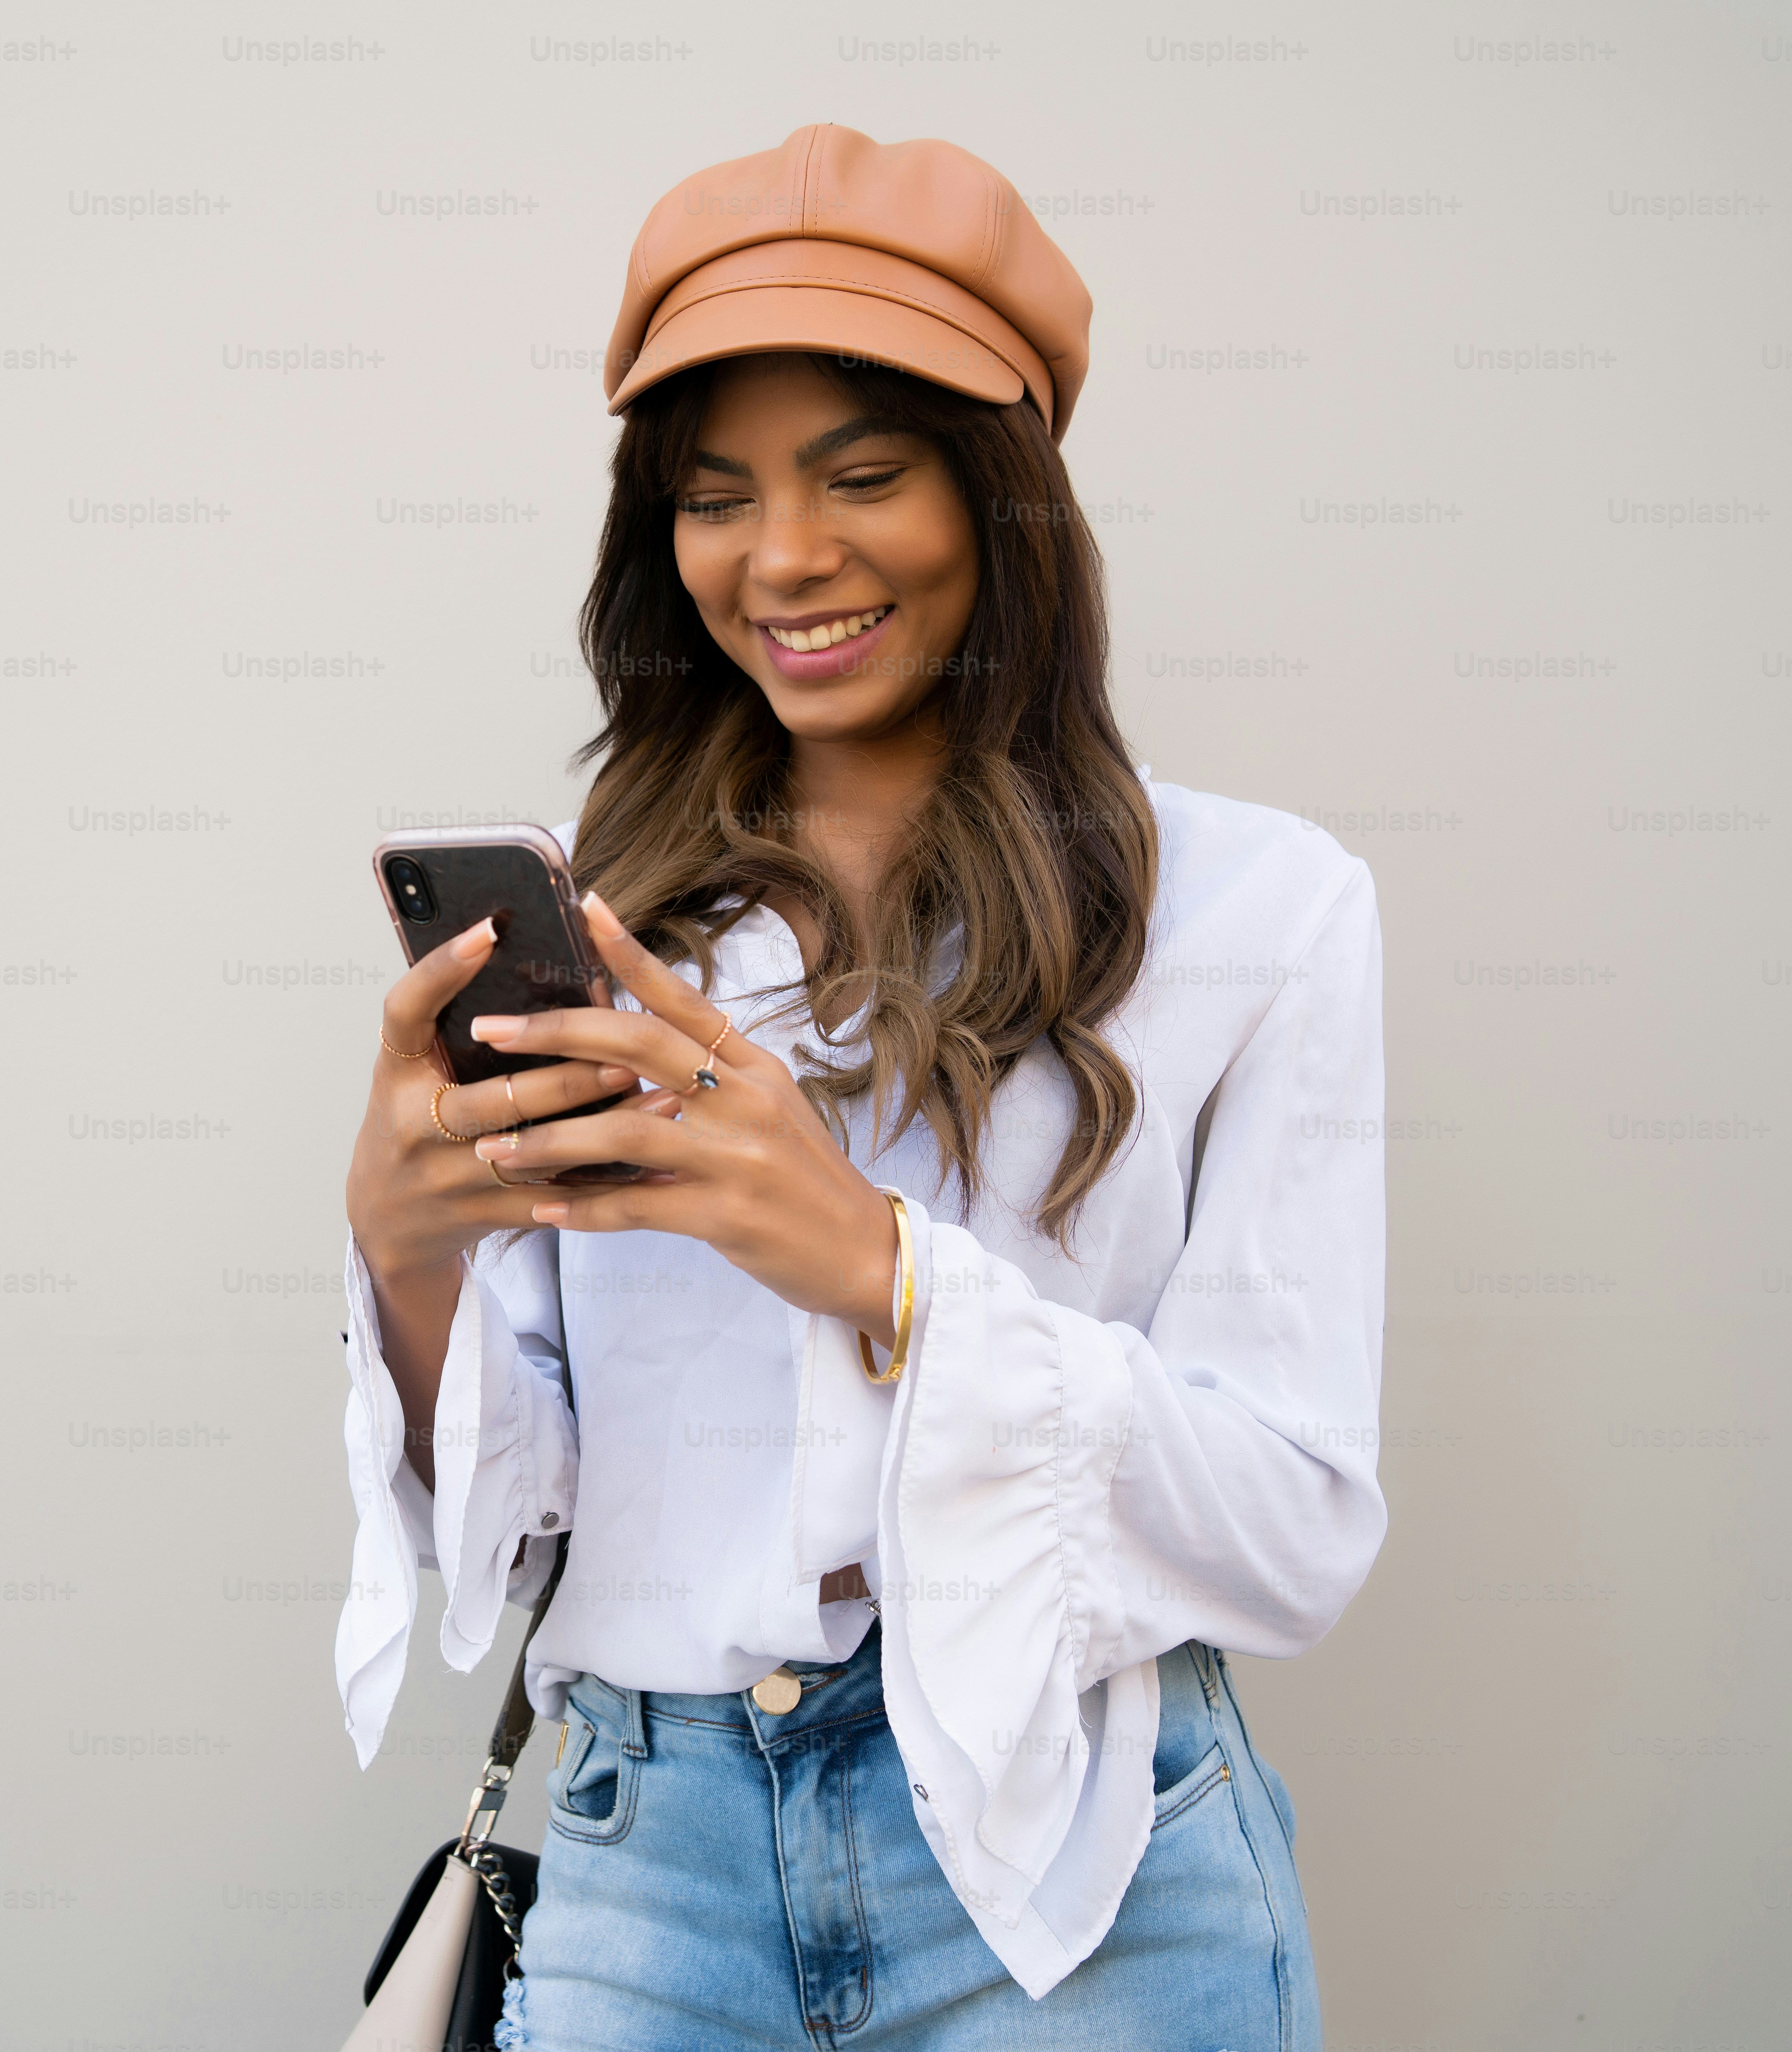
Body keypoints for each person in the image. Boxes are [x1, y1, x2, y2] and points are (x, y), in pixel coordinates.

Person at [337, 126, 1384, 2049]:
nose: (783, 555)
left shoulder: (1264, 915)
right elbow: (516, 1514)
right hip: (647, 1871)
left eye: (863, 475)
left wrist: (881, 1269)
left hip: (1075, 1881)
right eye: (714, 494)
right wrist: (401, 1256)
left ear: (999, 504)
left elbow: (1293, 1525)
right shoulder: (615, 922)